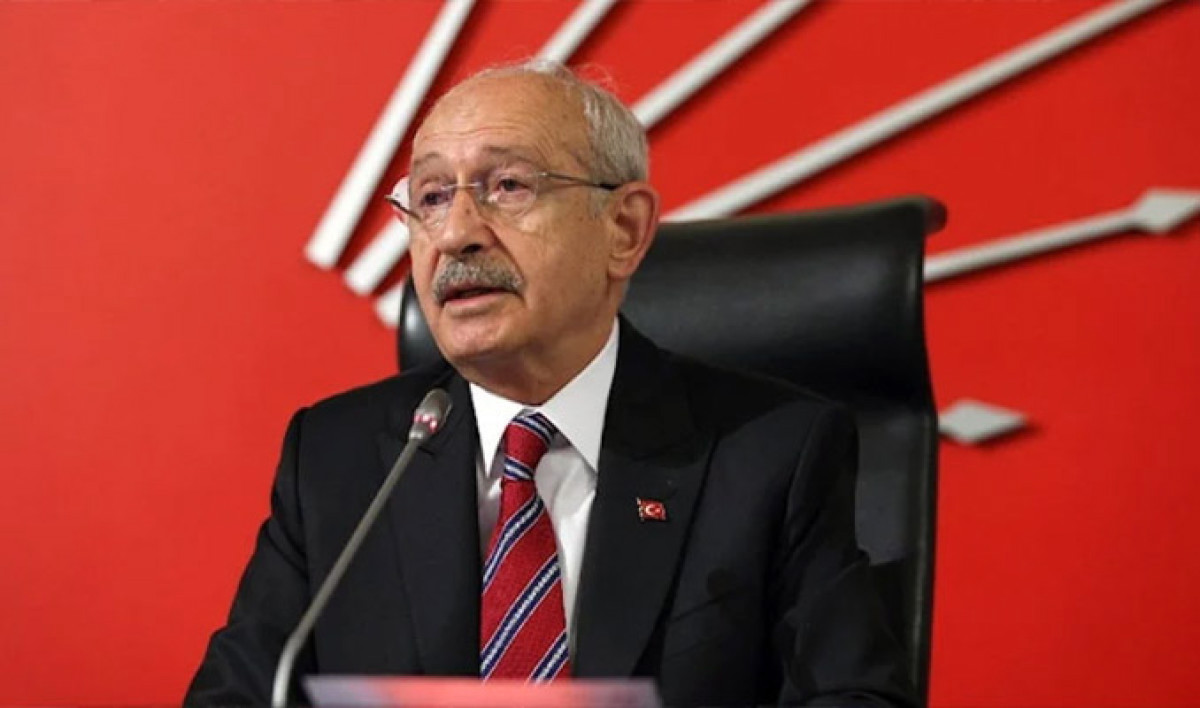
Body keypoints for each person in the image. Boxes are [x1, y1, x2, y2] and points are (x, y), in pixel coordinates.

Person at [186, 60, 917, 707]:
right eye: (432, 197)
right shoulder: (337, 459)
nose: (456, 233)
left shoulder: (769, 455)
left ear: (623, 229)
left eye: (507, 186)